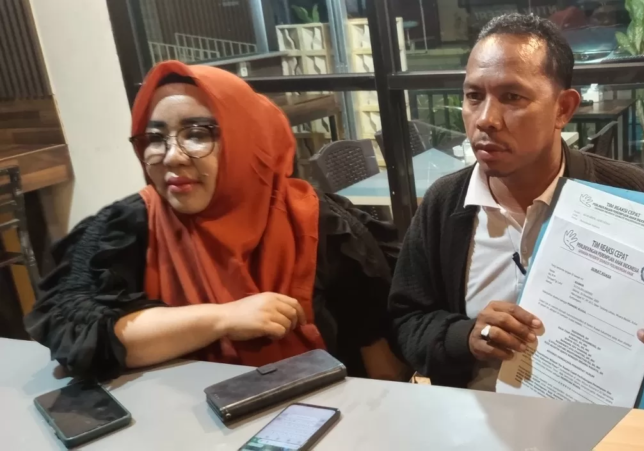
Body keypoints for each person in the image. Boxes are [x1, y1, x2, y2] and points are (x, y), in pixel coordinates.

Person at [25, 61, 407, 381]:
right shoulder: (126, 226)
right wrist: (223, 318)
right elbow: (73, 331)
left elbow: (380, 358)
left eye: (196, 134)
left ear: (247, 139)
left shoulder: (321, 224)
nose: (172, 156)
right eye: (155, 139)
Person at [388, 14, 644, 409]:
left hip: (606, 419)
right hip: (480, 419)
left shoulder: (629, 194)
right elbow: (406, 320)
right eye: (474, 96)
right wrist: (467, 337)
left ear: (563, 108)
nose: (485, 119)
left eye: (512, 97)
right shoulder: (445, 204)